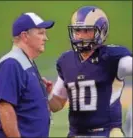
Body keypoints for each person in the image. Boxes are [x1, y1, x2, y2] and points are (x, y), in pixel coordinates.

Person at [46, 6, 132, 137]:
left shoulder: (113, 58)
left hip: (108, 133)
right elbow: (57, 104)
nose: (80, 35)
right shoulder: (66, 61)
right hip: (76, 134)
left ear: (101, 31)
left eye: (86, 30)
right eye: (77, 30)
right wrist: (46, 95)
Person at [0, 12, 54, 138]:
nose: (46, 38)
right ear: (25, 36)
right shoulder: (11, 64)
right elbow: (5, 107)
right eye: (41, 33)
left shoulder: (25, 61)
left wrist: (41, 94)